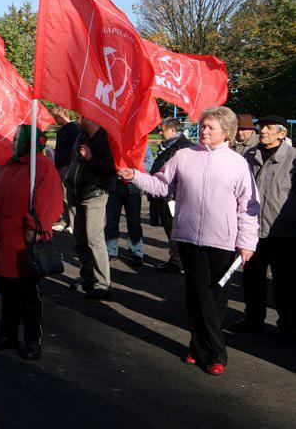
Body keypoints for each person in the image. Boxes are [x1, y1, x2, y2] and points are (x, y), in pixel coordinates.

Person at [119, 106, 259, 375]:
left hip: (223, 241)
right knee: (198, 294)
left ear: (226, 132)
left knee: (215, 298)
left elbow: (249, 205)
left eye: (210, 127)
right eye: (203, 126)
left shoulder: (237, 163)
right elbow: (162, 186)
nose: (203, 131)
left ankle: (199, 347)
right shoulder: (184, 156)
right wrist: (135, 176)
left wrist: (247, 242)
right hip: (189, 237)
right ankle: (215, 353)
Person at [0, 126, 63, 360]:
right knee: (8, 292)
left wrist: (33, 227)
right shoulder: (10, 165)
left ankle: (32, 340)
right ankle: (7, 334)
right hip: (4, 241)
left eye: (17, 138)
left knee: (28, 294)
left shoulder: (42, 166)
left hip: (23, 243)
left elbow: (49, 202)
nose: (12, 141)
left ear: (28, 141)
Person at [235, 115, 295, 339]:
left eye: (269, 128)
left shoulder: (293, 158)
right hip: (253, 230)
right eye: (261, 127)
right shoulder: (249, 155)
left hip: (284, 232)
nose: (263, 131)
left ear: (282, 133)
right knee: (252, 278)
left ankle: (288, 325)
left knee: (285, 282)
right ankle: (253, 319)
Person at [64, 116, 116, 300]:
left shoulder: (105, 139)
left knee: (94, 239)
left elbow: (111, 169)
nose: (76, 119)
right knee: (80, 238)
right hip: (76, 192)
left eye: (79, 116)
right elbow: (74, 161)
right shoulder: (82, 136)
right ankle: (87, 278)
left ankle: (103, 284)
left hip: (95, 194)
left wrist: (90, 158)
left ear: (90, 119)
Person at [149, 118, 192, 273]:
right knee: (171, 229)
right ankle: (176, 260)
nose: (160, 133)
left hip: (174, 196)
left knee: (175, 229)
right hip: (167, 194)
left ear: (173, 130)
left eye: (162, 130)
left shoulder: (182, 147)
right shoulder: (170, 146)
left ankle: (178, 262)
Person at [103, 147, 154, 267]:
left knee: (134, 223)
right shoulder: (112, 141)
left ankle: (136, 253)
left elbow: (148, 163)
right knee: (111, 222)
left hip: (133, 187)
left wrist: (132, 172)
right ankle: (110, 251)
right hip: (114, 187)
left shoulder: (140, 142)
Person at [52, 107, 80, 231]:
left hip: (67, 168)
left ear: (63, 115)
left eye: (56, 117)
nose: (55, 120)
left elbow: (75, 149)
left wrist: (68, 166)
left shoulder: (73, 129)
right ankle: (66, 221)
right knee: (62, 196)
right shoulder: (61, 131)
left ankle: (73, 224)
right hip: (59, 167)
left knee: (69, 196)